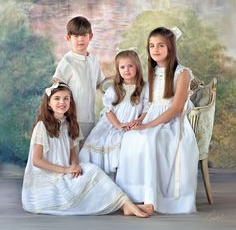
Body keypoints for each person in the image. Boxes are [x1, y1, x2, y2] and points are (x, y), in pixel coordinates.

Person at [21, 82, 153, 217]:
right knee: (91, 177)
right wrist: (66, 170)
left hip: (65, 172)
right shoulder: (42, 126)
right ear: (48, 103)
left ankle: (125, 204)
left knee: (91, 170)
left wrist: (74, 166)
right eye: (57, 98)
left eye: (66, 98)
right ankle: (126, 205)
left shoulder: (70, 124)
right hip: (47, 180)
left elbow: (73, 152)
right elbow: (37, 161)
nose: (62, 102)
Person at [116, 27, 199, 214]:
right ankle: (136, 196)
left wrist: (147, 126)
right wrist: (138, 121)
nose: (155, 49)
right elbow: (153, 105)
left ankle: (155, 198)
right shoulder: (153, 70)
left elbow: (176, 108)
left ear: (171, 47)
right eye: (152, 45)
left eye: (161, 45)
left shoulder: (182, 73)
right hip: (154, 117)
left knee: (150, 139)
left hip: (172, 122)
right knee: (130, 137)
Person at [79, 50, 149, 177]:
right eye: (122, 67)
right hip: (113, 124)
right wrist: (118, 125)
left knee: (130, 142)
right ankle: (98, 178)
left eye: (130, 66)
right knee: (100, 141)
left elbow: (147, 108)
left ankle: (124, 177)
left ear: (137, 67)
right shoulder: (114, 89)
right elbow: (108, 110)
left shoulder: (144, 88)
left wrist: (139, 120)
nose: (126, 70)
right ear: (118, 69)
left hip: (134, 124)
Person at [52, 16, 105, 143]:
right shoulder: (67, 61)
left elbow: (100, 83)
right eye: (75, 36)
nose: (80, 39)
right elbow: (57, 85)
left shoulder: (93, 60)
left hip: (90, 116)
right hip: (72, 117)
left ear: (90, 36)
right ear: (68, 38)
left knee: (86, 150)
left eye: (83, 35)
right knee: (73, 151)